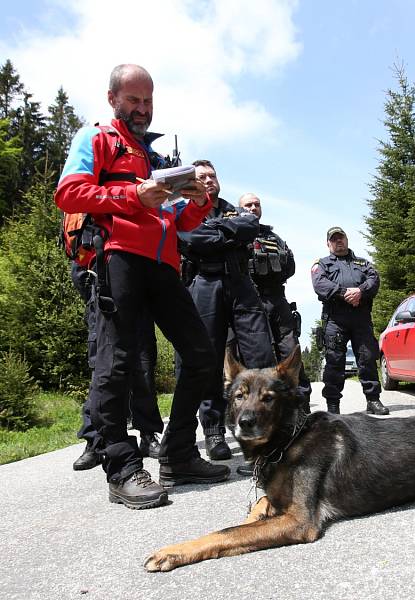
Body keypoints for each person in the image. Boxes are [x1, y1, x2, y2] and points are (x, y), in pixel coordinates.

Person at [55, 64, 228, 509]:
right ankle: (121, 466)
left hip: (164, 265)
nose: (142, 109)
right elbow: (69, 193)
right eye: (134, 100)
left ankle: (178, 453)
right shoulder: (95, 138)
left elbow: (177, 221)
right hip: (118, 257)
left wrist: (196, 202)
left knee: (202, 354)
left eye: (148, 101)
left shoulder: (155, 158)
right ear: (113, 98)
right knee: (118, 361)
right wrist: (134, 196)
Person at [178, 163, 276, 461]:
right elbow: (190, 238)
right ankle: (213, 430)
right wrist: (226, 236)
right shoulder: (184, 212)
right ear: (191, 184)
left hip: (240, 284)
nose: (208, 181)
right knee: (207, 357)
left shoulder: (235, 211)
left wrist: (213, 232)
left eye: (212, 176)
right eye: (201, 177)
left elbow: (249, 227)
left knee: (260, 353)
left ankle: (264, 429)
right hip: (204, 284)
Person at [71, 258, 163, 470]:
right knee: (101, 376)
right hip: (103, 307)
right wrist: (96, 297)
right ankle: (94, 442)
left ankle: (148, 436)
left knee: (144, 371)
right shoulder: (92, 225)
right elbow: (79, 270)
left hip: (139, 306)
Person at [238, 193, 311, 408]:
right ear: (239, 209)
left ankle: (301, 404)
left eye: (256, 204)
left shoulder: (273, 237)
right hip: (249, 300)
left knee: (290, 350)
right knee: (257, 356)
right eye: (248, 205)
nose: (253, 208)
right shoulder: (234, 234)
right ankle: (262, 406)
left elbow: (290, 267)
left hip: (277, 298)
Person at [311, 227, 389, 415]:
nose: (339, 241)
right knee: (334, 361)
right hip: (335, 319)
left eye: (341, 238)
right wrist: (344, 292)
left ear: (346, 240)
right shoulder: (322, 264)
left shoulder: (362, 263)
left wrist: (361, 291)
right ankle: (333, 405)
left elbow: (374, 280)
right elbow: (320, 284)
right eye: (334, 239)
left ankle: (373, 400)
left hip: (361, 317)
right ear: (328, 244)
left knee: (367, 358)